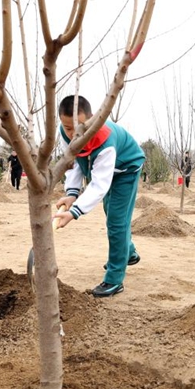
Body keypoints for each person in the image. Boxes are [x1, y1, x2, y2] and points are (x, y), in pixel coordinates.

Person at [52, 95, 146, 298]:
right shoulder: (65, 133)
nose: (73, 133)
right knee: (110, 212)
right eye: (67, 127)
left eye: (78, 126)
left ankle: (114, 279)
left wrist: (75, 211)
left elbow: (99, 185)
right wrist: (71, 193)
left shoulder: (106, 140)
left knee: (116, 221)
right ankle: (127, 252)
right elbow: (75, 162)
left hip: (126, 169)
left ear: (92, 118)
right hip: (104, 171)